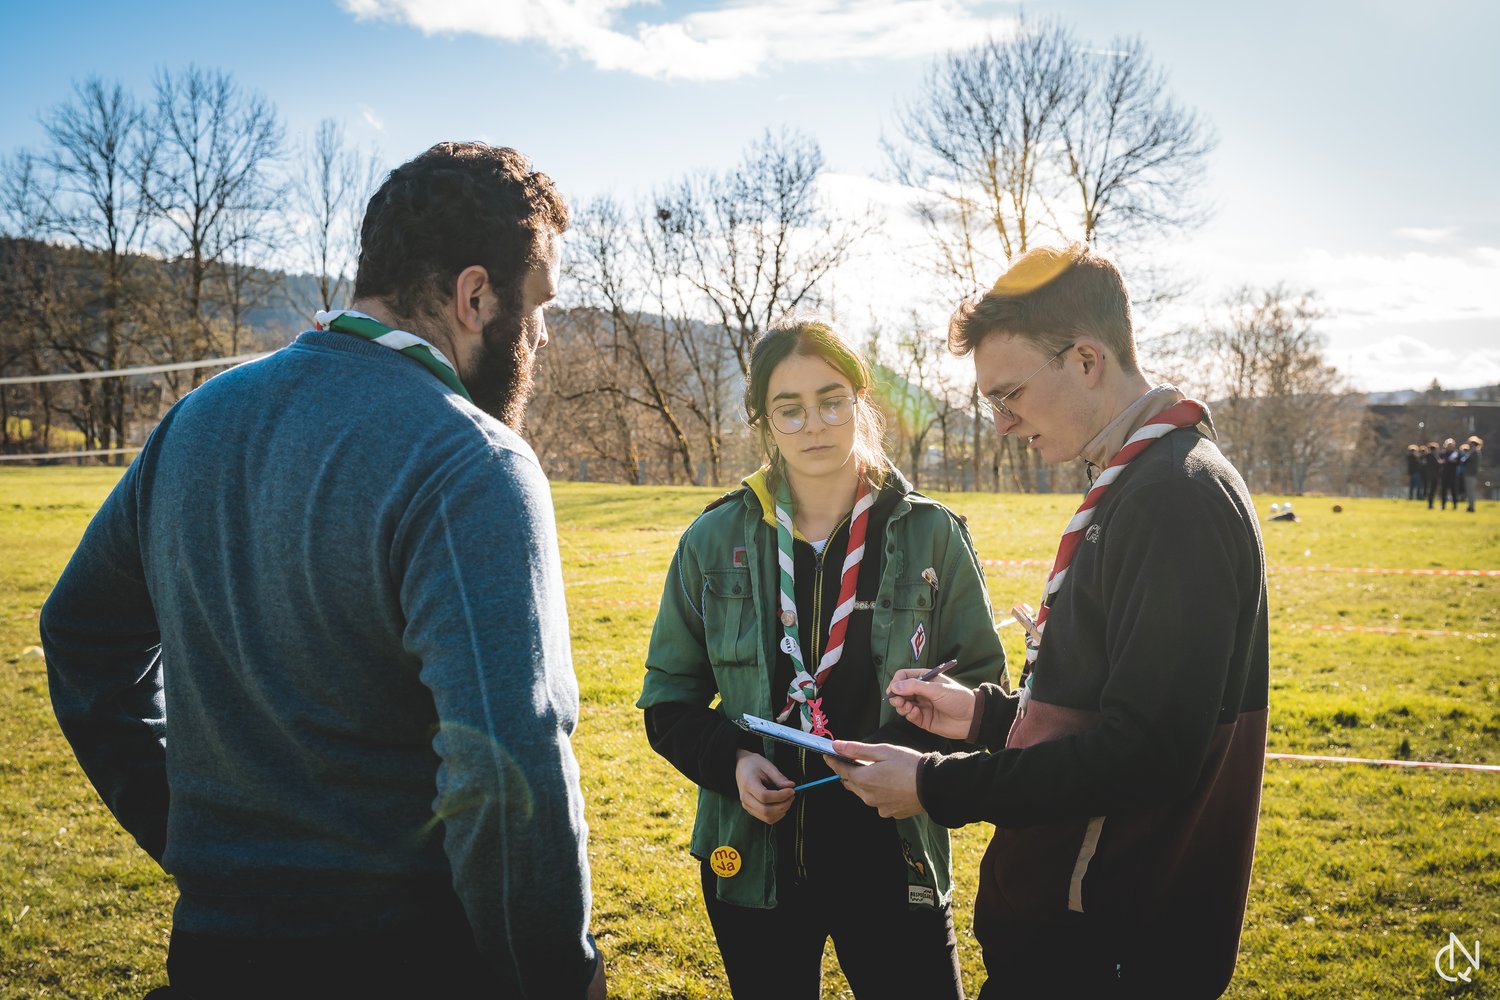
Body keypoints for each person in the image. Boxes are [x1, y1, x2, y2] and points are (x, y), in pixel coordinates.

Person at [41, 143, 605, 999]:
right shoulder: (473, 460)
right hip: (412, 967)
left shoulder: (197, 421)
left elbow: (80, 637)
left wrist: (196, 839)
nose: (541, 335)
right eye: (537, 308)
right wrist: (560, 984)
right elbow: (504, 771)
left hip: (213, 961)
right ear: (474, 295)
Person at [828, 244, 1269, 999]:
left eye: (1011, 395)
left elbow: (1147, 758)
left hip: (1108, 949)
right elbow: (1110, 710)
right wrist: (985, 718)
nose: (1001, 424)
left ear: (1087, 360)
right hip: (1078, 935)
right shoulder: (1139, 480)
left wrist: (936, 787)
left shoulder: (1173, 499)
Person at [638, 320, 1006, 999]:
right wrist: (732, 762)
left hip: (896, 858)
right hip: (754, 859)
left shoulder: (931, 534)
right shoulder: (713, 539)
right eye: (790, 408)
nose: (815, 424)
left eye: (832, 399)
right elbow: (667, 699)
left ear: (861, 401)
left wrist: (909, 762)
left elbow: (983, 683)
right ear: (764, 420)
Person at [1439, 436, 1460, 510]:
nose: (1450, 447)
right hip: (1444, 474)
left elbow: (1458, 462)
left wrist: (1450, 461)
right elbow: (1440, 461)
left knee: (1453, 490)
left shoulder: (1456, 453)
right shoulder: (1443, 453)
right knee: (1443, 491)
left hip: (1453, 474)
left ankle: (1455, 505)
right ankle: (1443, 505)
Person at [1465, 435, 1484, 511]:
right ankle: (1470, 506)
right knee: (1470, 491)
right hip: (1472, 474)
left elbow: (1466, 460)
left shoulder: (1474, 452)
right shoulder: (1475, 451)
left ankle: (1471, 507)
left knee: (1470, 491)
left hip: (1471, 474)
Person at [1423, 441, 1441, 508]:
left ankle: (1430, 504)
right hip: (1433, 476)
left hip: (1431, 475)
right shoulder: (1430, 456)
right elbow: (1436, 464)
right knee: (1432, 490)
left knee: (1431, 490)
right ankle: (1430, 504)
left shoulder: (1429, 456)